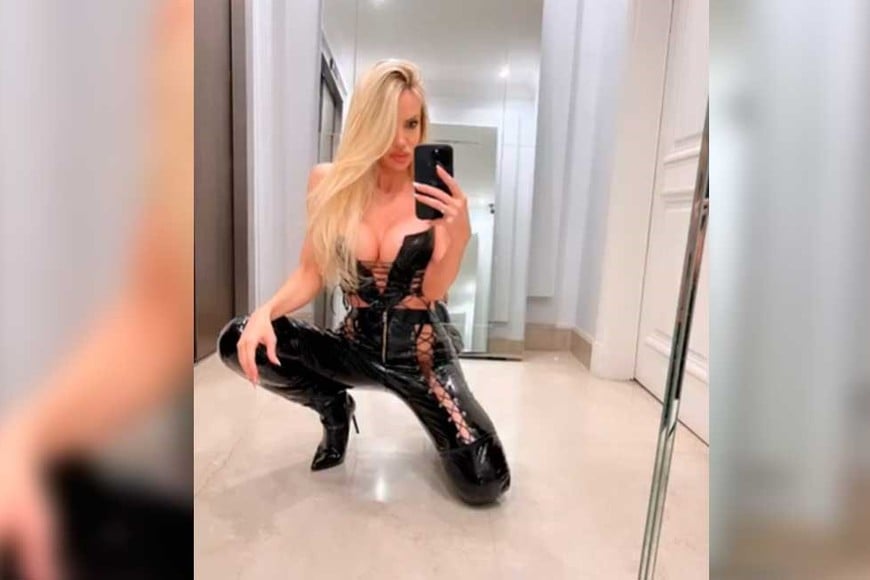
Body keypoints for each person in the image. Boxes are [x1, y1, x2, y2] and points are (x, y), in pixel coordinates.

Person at [218, 59, 510, 505]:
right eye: (388, 124)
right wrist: (265, 312)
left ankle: (434, 424)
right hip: (354, 346)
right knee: (238, 338)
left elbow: (432, 292)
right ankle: (332, 406)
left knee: (485, 480)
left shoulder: (432, 195)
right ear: (366, 123)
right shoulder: (329, 182)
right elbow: (310, 272)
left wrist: (458, 238)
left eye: (412, 124)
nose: (403, 141)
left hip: (421, 356)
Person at [0, 1, 193, 578]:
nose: (406, 143)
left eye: (415, 125)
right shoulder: (179, 24)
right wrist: (19, 443)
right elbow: (157, 316)